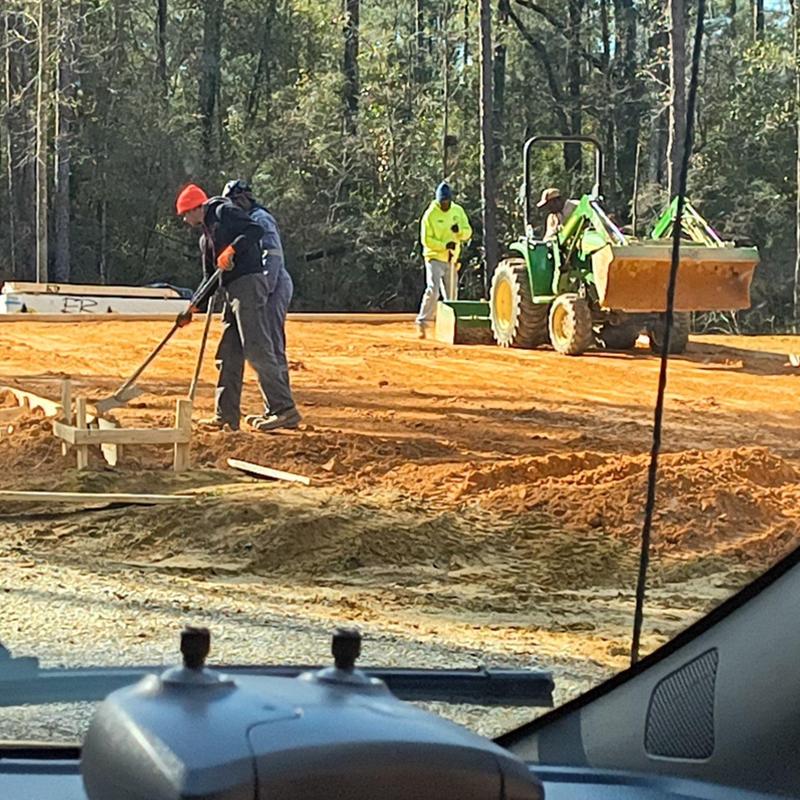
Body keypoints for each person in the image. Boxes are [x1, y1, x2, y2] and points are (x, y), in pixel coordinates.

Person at [174, 183, 301, 433]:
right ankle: (226, 416)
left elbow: (254, 231)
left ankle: (283, 409)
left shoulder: (223, 212)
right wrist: (191, 309)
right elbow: (209, 279)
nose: (186, 219)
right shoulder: (205, 240)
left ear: (198, 208)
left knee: (256, 347)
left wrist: (232, 249)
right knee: (228, 353)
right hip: (232, 291)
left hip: (249, 284)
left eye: (187, 213)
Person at [221, 179, 295, 432]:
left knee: (270, 344)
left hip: (271, 285)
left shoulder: (260, 219)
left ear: (241, 199)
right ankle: (272, 408)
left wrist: (262, 291)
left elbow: (272, 257)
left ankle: (282, 410)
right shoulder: (244, 220)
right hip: (262, 284)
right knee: (264, 344)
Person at [415, 182, 472, 339]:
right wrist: (443, 245)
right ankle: (423, 321)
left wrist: (459, 231)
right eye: (442, 202)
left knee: (452, 295)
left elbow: (468, 232)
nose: (444, 205)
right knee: (433, 289)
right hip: (434, 257)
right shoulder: (430, 215)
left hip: (452, 259)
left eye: (447, 202)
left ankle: (449, 327)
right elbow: (426, 240)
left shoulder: (457, 211)